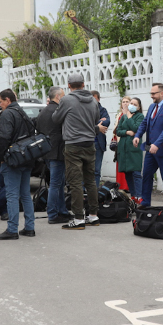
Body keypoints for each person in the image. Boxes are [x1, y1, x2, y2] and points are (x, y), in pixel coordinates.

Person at [52, 74, 101, 230]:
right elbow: (96, 119)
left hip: (73, 144)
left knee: (75, 182)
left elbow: (56, 118)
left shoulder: (66, 100)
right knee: (90, 180)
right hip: (90, 144)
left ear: (69, 85)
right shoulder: (93, 100)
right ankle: (93, 215)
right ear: (83, 84)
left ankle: (79, 218)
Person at [0, 89, 36, 240]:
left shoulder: (7, 114)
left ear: (7, 100)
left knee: (12, 194)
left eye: (0, 102)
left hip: (12, 160)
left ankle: (12, 229)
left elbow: (4, 137)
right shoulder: (23, 113)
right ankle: (29, 228)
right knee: (25, 195)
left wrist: (0, 157)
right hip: (27, 158)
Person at [133, 82, 163, 209]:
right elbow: (144, 123)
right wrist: (137, 135)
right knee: (146, 175)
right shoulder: (152, 107)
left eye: (154, 93)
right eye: (151, 93)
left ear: (162, 93)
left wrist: (157, 144)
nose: (152, 96)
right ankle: (145, 202)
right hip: (149, 150)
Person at [35, 86, 70, 224]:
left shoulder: (43, 111)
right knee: (56, 184)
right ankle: (53, 214)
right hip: (57, 152)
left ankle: (62, 211)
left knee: (59, 183)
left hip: (47, 152)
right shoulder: (56, 110)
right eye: (63, 95)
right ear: (58, 97)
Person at [114, 97, 144, 199]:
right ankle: (133, 195)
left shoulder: (140, 116)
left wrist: (130, 118)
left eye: (135, 104)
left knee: (136, 173)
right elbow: (118, 131)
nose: (131, 105)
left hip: (134, 149)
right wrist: (127, 132)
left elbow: (136, 128)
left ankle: (139, 196)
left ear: (139, 107)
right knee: (127, 173)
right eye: (131, 103)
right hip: (123, 149)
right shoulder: (123, 116)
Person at [92, 90, 111, 191]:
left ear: (98, 99)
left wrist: (96, 123)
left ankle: (95, 191)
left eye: (94, 99)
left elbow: (107, 122)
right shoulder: (86, 109)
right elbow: (86, 123)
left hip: (98, 144)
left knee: (97, 170)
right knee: (85, 170)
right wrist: (98, 122)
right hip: (88, 144)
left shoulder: (103, 110)